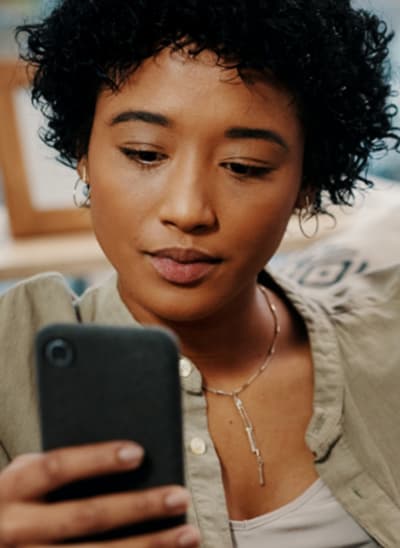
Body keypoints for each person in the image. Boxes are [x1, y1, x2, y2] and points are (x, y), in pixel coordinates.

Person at [0, 1, 399, 546]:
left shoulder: (385, 352)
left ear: (307, 182)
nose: (188, 210)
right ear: (82, 152)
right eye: (143, 153)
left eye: (243, 166)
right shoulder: (9, 356)